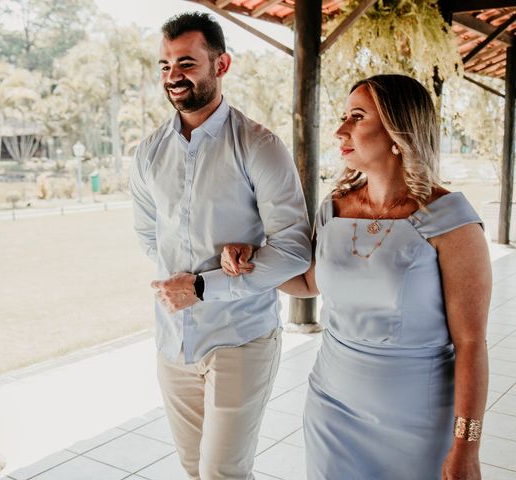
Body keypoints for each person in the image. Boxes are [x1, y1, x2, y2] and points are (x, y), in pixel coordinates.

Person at [221, 74, 491, 480]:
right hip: (333, 407)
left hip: (417, 421)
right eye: (343, 116)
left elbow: (470, 344)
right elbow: (309, 284)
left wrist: (466, 448)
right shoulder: (333, 208)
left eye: (357, 117)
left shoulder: (452, 222)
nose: (339, 130)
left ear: (398, 130)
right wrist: (251, 260)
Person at [129, 12, 312, 480]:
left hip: (241, 338)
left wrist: (203, 286)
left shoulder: (260, 146)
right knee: (194, 472)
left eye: (187, 63)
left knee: (222, 474)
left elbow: (293, 250)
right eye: (166, 65)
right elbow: (151, 235)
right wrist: (181, 286)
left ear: (221, 64)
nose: (174, 76)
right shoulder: (148, 153)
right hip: (173, 342)